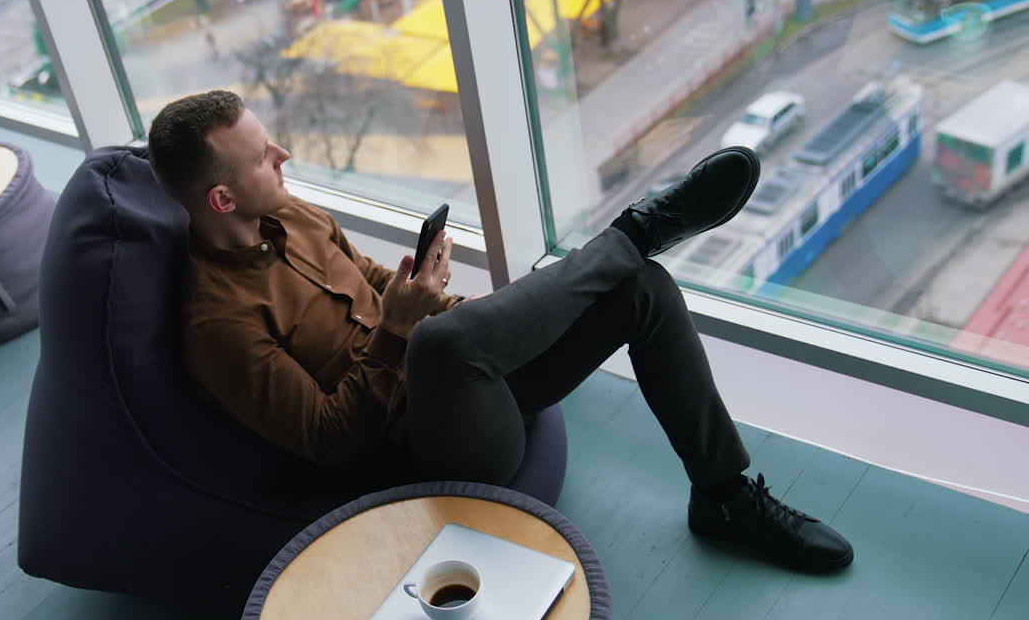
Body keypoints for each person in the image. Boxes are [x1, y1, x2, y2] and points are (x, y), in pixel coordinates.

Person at [148, 90, 855, 574]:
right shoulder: (217, 323)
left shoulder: (293, 215)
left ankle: (725, 496)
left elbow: (371, 280)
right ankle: (637, 229)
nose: (283, 155)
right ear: (222, 197)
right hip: (415, 448)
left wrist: (427, 296)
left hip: (469, 382)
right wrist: (400, 332)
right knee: (436, 344)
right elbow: (332, 440)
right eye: (263, 155)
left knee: (641, 288)